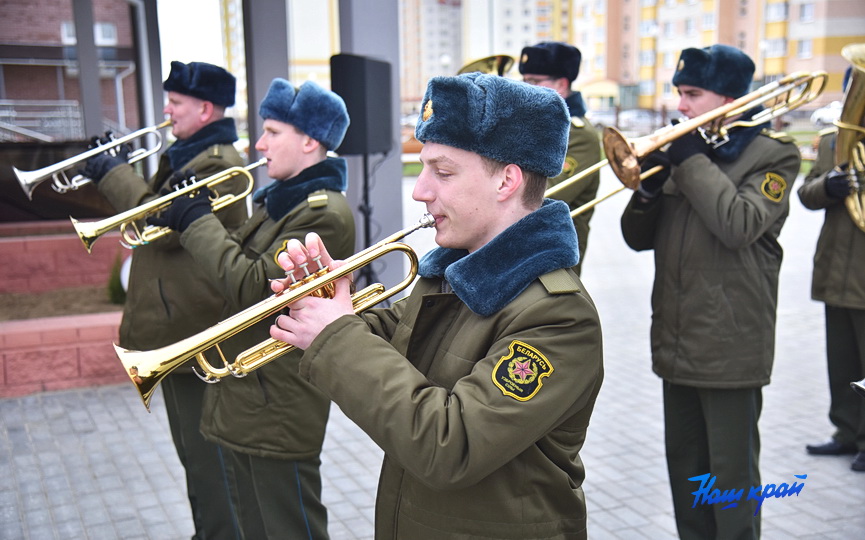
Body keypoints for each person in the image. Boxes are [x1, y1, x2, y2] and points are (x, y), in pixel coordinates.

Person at [268, 73, 604, 539]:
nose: (419, 190)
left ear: (507, 180)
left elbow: (451, 446)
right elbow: (399, 335)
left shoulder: (559, 316)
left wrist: (336, 334)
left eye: (442, 172)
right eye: (423, 168)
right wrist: (328, 303)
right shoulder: (454, 271)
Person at [149, 78, 355, 539]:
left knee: (288, 527)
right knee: (252, 528)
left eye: (272, 132)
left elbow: (249, 287)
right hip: (247, 396)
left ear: (309, 141)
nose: (258, 144)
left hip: (276, 401)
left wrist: (197, 221)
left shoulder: (322, 212)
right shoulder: (279, 203)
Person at [619, 44, 801, 538]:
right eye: (679, 92)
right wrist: (649, 189)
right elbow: (636, 239)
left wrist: (690, 160)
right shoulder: (690, 152)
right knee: (688, 471)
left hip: (731, 346)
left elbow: (738, 224)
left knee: (732, 478)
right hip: (678, 342)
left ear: (730, 97)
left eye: (692, 94)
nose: (680, 105)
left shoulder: (774, 155)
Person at [83, 60, 246, 540]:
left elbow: (161, 228)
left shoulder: (221, 165)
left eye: (175, 102)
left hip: (194, 331)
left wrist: (112, 172)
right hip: (175, 326)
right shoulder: (184, 154)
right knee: (193, 454)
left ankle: (220, 533)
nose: (166, 110)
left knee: (207, 455)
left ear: (205, 107)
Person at [797, 66, 865, 473]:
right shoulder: (830, 142)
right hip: (834, 272)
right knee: (839, 362)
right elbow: (806, 193)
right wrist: (829, 187)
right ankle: (844, 433)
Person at [519, 41, 602, 275]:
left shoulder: (578, 134)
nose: (527, 88)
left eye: (535, 81)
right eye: (525, 81)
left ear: (562, 85)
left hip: (553, 263)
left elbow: (542, 196)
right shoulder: (533, 126)